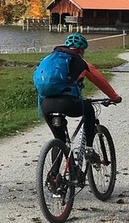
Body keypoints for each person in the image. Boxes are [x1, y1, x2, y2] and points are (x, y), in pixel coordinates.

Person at [37, 33, 122, 166]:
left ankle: (54, 178)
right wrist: (114, 98)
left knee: (59, 140)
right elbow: (101, 82)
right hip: (68, 103)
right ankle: (89, 148)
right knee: (89, 110)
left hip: (46, 105)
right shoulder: (80, 62)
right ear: (81, 50)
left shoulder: (49, 59)